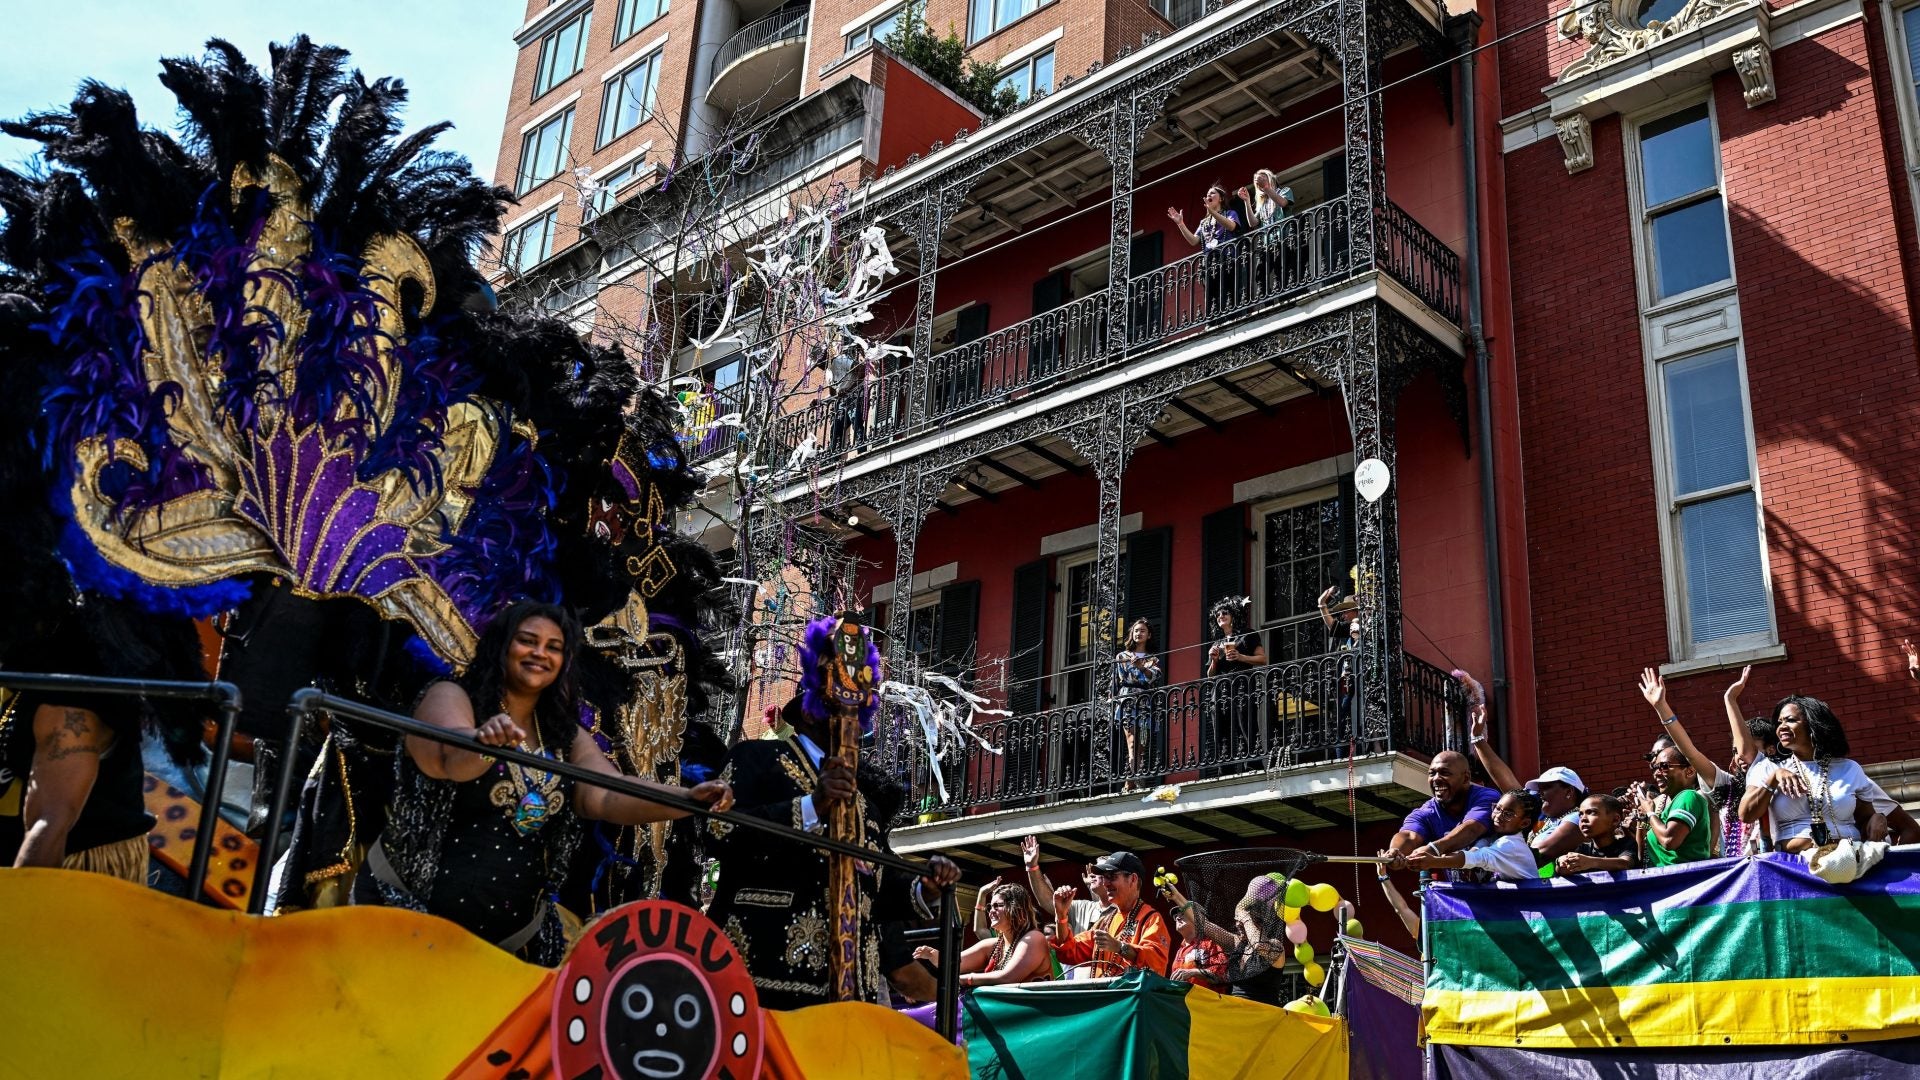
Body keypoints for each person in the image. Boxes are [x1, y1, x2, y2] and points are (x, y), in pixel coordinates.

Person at [353, 601, 735, 964]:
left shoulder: (563, 734)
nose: (540, 653)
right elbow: (449, 761)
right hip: (411, 923)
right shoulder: (451, 695)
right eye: (527, 641)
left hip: (513, 946)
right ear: (500, 646)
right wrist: (485, 744)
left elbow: (607, 795)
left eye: (554, 647)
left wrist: (688, 798)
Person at [707, 692, 963, 1008]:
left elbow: (874, 885)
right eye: (847, 711)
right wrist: (812, 806)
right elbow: (719, 831)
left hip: (850, 995)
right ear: (810, 712)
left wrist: (925, 888)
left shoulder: (865, 805)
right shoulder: (755, 756)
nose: (858, 725)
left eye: (863, 715)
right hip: (762, 983)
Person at [1740, 695, 1902, 853]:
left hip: (1849, 861)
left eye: (1790, 720)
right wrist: (1773, 779)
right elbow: (1746, 814)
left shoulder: (1849, 768)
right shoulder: (1769, 767)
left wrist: (1878, 818)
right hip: (1794, 867)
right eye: (1779, 722)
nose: (1781, 726)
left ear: (1813, 724)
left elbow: (1865, 819)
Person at [1464, 698, 1583, 869]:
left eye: (1547, 788)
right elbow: (1508, 785)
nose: (1540, 793)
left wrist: (1484, 857)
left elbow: (1535, 857)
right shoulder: (1541, 816)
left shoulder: (1579, 818)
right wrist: (1477, 738)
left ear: (1569, 792)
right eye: (1539, 789)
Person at [1050, 851, 1171, 977]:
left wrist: (1119, 947)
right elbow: (1069, 952)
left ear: (1133, 879)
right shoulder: (1104, 922)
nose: (1106, 883)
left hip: (1131, 996)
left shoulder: (1150, 919)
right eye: (1105, 877)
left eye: (1112, 877)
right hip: (1105, 995)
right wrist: (1061, 915)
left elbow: (1155, 962)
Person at [917, 883, 1051, 987]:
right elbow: (954, 963)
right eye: (990, 907)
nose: (991, 911)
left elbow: (1008, 977)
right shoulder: (994, 945)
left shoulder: (1034, 938)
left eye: (997, 906)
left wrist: (964, 980)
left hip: (1036, 1019)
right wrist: (932, 955)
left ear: (1016, 908)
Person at [1382, 750, 1498, 870]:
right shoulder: (1426, 812)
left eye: (1445, 773)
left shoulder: (1487, 797)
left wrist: (1433, 849)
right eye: (1432, 773)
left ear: (1466, 778)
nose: (1436, 779)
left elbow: (1472, 828)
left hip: (1502, 886)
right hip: (1459, 888)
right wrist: (1396, 852)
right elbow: (1409, 835)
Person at [1406, 789, 1545, 882]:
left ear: (1524, 823)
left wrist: (1434, 861)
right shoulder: (1494, 838)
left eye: (1508, 814)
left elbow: (1477, 858)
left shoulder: (1510, 845)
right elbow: (1477, 849)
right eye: (1497, 808)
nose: (1498, 816)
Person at [1204, 597, 1268, 776]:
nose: (1220, 616)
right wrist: (1214, 661)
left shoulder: (1248, 634)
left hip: (1242, 685)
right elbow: (1210, 675)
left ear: (1233, 615)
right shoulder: (1216, 643)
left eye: (1224, 613)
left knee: (1246, 724)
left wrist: (1240, 657)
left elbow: (1262, 659)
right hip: (1221, 688)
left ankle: (1253, 765)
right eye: (1217, 615)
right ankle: (1225, 768)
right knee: (1221, 728)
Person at [1168, 185, 1242, 316]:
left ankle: (1233, 317)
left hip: (1228, 259)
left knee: (1229, 290)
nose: (1209, 196)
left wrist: (1212, 212)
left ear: (1221, 198)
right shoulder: (1204, 223)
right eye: (1207, 194)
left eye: (1212, 193)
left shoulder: (1230, 213)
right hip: (1209, 263)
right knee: (1212, 294)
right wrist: (1181, 224)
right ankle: (1213, 321)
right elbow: (1194, 241)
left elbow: (1231, 226)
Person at [1633, 746, 1712, 867]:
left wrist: (1650, 813)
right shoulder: (1669, 804)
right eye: (1655, 768)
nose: (1657, 773)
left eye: (1664, 766)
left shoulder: (1689, 796)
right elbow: (1641, 855)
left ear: (1689, 771)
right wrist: (1642, 818)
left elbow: (1669, 840)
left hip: (1684, 881)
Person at [1113, 619, 1163, 786]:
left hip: (1145, 702)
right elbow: (1120, 678)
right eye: (1136, 631)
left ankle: (1130, 781)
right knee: (1132, 741)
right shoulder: (1122, 656)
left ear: (1148, 635)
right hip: (1127, 700)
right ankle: (1135, 778)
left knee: (1142, 744)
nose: (1138, 633)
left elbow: (1154, 677)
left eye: (1142, 631)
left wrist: (1142, 668)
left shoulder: (1153, 659)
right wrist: (1141, 671)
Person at [1555, 793, 1640, 875]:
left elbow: (1625, 864)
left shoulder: (1626, 843)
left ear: (1615, 820)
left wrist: (1591, 862)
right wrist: (1561, 863)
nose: (1583, 819)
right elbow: (1564, 871)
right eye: (1581, 814)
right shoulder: (1583, 849)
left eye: (1592, 812)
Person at [1167, 900, 1230, 992]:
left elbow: (1221, 976)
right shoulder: (1180, 950)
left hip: (1209, 1003)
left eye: (1183, 914)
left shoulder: (1212, 942)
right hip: (1184, 1003)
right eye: (1175, 916)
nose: (1177, 918)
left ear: (1198, 918)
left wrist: (1193, 972)